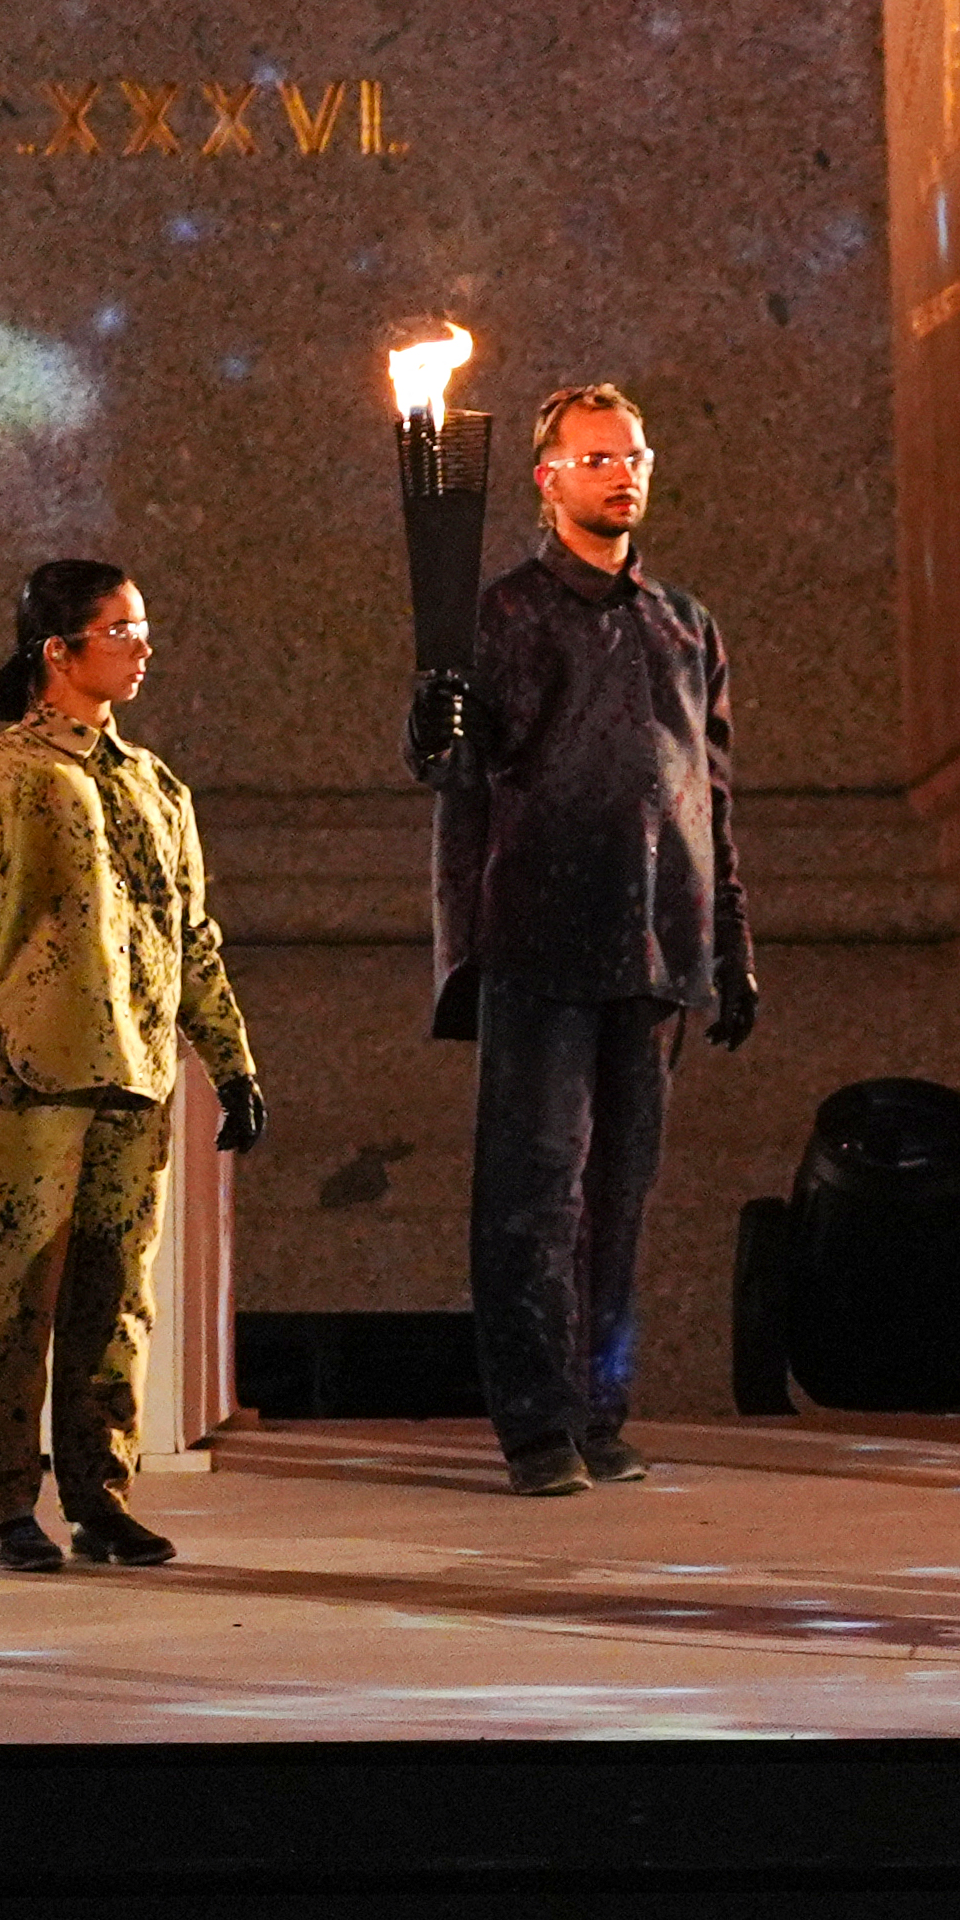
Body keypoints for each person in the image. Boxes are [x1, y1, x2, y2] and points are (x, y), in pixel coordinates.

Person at [405, 383, 755, 1497]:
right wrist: (434, 725)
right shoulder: (504, 615)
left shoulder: (682, 624)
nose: (622, 472)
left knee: (620, 1194)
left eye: (633, 455)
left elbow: (712, 791)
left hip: (656, 945)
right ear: (548, 477)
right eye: (595, 457)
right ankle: (534, 1422)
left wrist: (730, 943)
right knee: (532, 1189)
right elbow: (454, 767)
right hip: (542, 941)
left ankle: (602, 1409)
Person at [0, 560, 267, 1573]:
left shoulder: (154, 784)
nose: (140, 644)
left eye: (140, 624)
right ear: (56, 652)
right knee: (12, 1289)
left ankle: (99, 1495)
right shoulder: (4, 772)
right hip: (35, 1066)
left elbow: (187, 930)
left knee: (115, 1293)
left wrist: (229, 1059)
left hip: (134, 1071)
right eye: (118, 628)